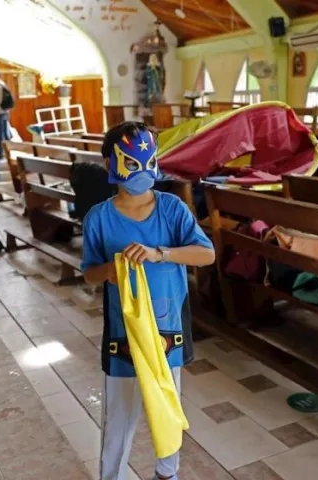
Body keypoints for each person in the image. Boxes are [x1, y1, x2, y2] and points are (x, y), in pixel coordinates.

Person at [81, 121, 215, 480]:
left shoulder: (171, 209)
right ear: (111, 163)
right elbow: (89, 273)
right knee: (119, 416)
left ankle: (167, 474)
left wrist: (161, 253)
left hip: (167, 327)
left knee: (166, 407)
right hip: (124, 333)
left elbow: (206, 255)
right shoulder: (99, 218)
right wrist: (108, 271)